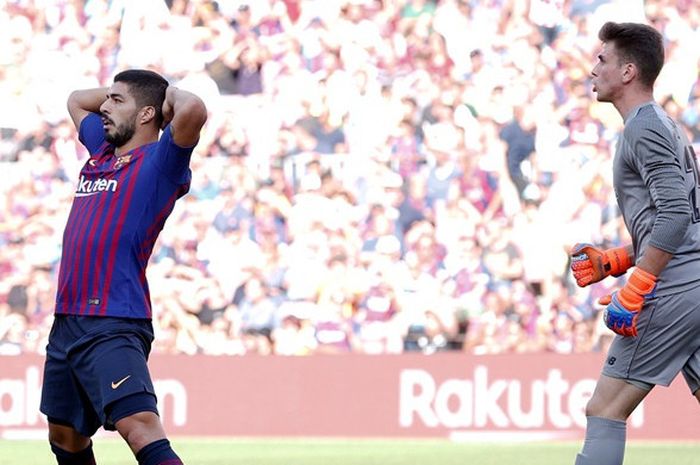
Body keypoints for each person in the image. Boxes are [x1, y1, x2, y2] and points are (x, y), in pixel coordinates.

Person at [39, 69, 207, 465]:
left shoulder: (161, 161)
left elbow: (194, 109)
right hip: (67, 320)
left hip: (113, 317)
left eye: (116, 101)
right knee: (65, 435)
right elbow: (77, 98)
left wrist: (167, 95)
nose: (104, 108)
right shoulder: (101, 151)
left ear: (148, 114)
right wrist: (121, 94)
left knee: (139, 425)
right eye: (108, 99)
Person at [569, 22, 700, 465]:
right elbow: (683, 218)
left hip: (675, 287)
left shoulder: (643, 127)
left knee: (604, 408)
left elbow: (678, 216)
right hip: (694, 281)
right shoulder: (662, 124)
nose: (593, 69)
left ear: (627, 72)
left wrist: (637, 285)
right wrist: (615, 261)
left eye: (601, 60)